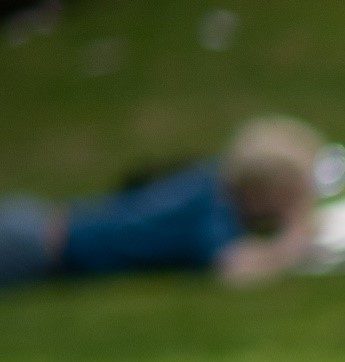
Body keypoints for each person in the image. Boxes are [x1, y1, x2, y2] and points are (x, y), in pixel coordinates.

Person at [0, 116, 325, 290]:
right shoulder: (212, 210)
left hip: (36, 227)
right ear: (266, 190)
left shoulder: (209, 183)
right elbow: (232, 269)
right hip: (33, 246)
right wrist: (291, 243)